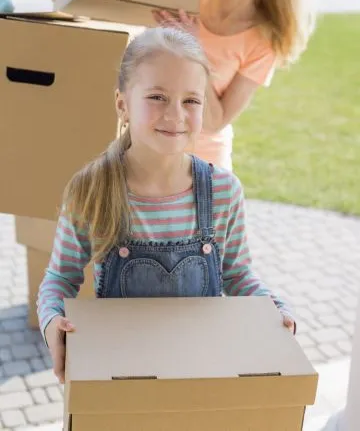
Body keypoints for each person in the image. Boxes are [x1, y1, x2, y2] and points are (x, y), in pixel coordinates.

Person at [37, 27, 295, 384]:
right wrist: (53, 322)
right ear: (122, 104)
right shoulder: (90, 190)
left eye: (192, 100)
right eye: (157, 96)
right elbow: (59, 278)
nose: (176, 115)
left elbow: (237, 275)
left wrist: (274, 308)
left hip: (199, 374)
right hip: (122, 377)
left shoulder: (224, 191)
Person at [153, 0, 318, 170]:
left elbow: (215, 121)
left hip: (201, 169)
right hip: (148, 153)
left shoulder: (263, 42)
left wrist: (192, 51)